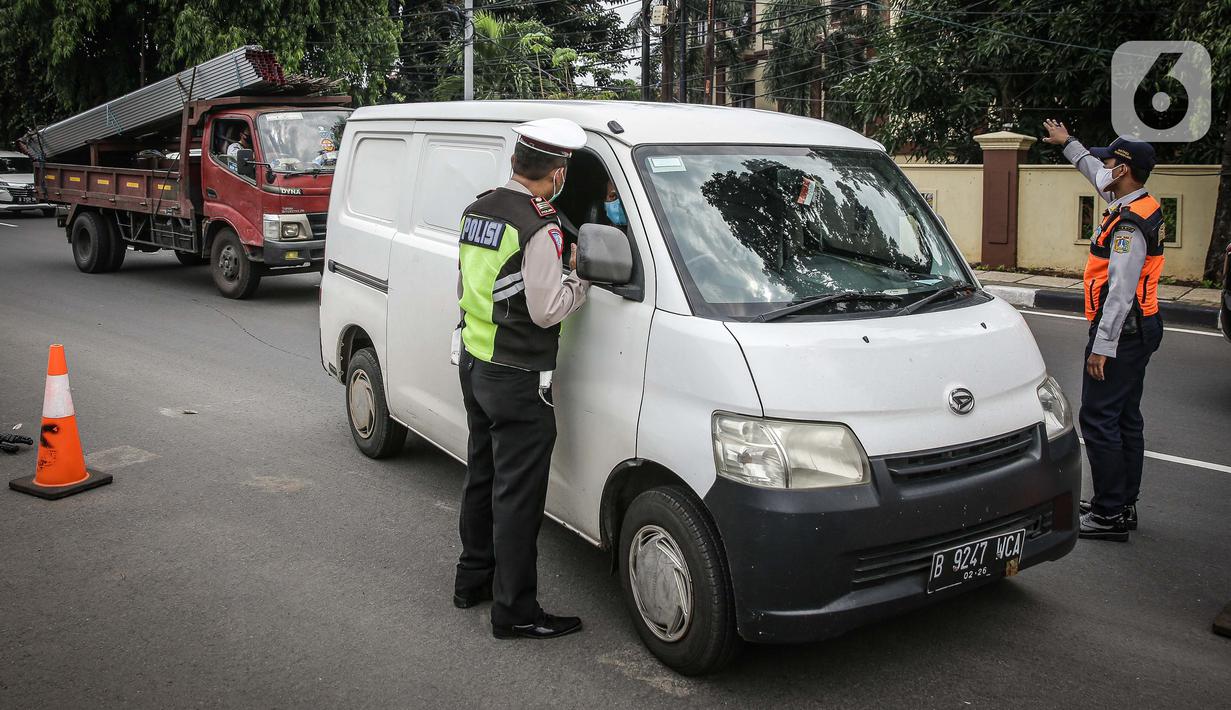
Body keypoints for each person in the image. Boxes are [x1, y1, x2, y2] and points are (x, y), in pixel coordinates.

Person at [453, 117, 591, 639]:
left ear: (515, 163)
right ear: (556, 175)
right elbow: (546, 308)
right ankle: (514, 611)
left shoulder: (478, 209)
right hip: (517, 374)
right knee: (518, 496)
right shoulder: (541, 224)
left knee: (482, 475)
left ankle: (472, 580)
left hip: (475, 360)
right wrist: (582, 281)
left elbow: (474, 283)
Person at [1043, 120, 1165, 542]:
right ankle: (1122, 504)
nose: (1103, 167)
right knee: (1125, 416)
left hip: (1124, 329)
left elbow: (1120, 292)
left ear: (1124, 170)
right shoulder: (1139, 202)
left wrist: (1102, 346)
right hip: (1144, 326)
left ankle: (1110, 513)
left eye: (1109, 161)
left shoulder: (1128, 225)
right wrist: (1068, 143)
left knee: (1098, 419)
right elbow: (1093, 171)